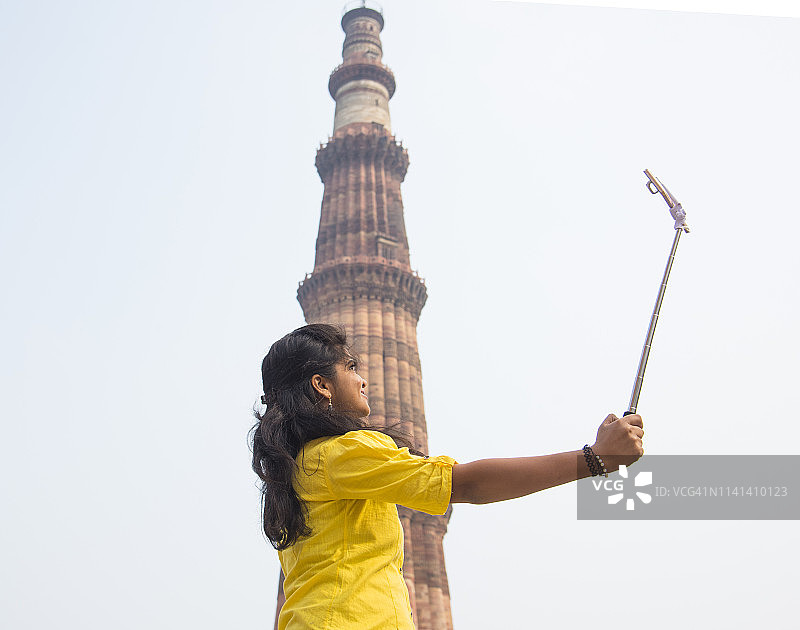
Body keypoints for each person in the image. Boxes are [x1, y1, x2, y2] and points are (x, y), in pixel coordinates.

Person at [251, 324, 643, 630]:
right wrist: (594, 460)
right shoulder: (343, 452)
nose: (362, 378)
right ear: (321, 385)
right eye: (350, 367)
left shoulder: (299, 468)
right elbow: (466, 483)